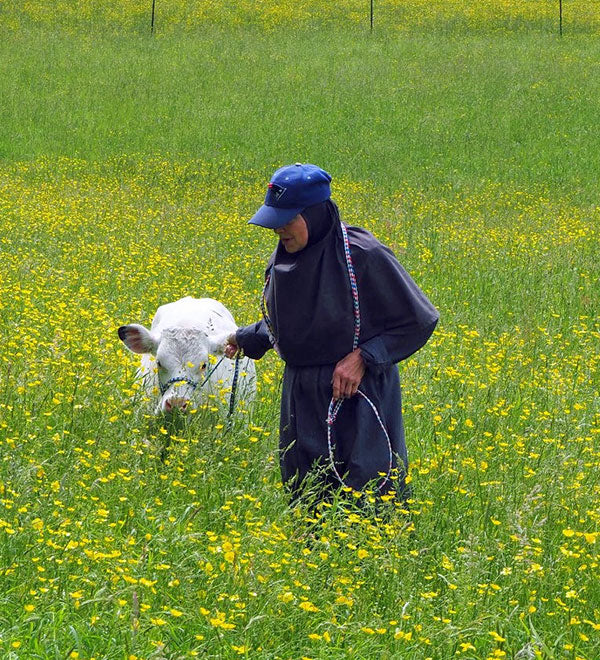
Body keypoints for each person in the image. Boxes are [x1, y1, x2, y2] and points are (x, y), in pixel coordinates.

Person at [225, 163, 438, 503]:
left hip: (359, 396)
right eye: (274, 220)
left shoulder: (363, 255)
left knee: (369, 496)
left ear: (314, 213)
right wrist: (245, 338)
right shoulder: (281, 262)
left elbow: (419, 319)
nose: (278, 229)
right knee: (306, 494)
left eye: (288, 219)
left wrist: (364, 358)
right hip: (302, 398)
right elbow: (288, 325)